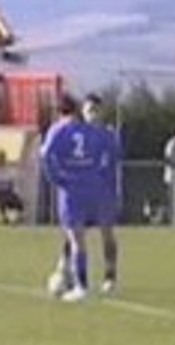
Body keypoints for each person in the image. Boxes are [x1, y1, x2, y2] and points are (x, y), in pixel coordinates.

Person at [41, 94, 120, 302]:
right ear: (79, 110)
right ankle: (67, 271)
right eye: (89, 110)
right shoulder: (94, 131)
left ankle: (84, 284)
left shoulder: (61, 129)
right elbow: (109, 160)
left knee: (79, 236)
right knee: (77, 236)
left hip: (75, 190)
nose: (93, 114)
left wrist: (56, 177)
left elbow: (46, 154)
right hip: (94, 187)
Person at [0, 149, 24, 225]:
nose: (1, 160)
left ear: (5, 159)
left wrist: (12, 192)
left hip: (7, 192)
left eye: (2, 158)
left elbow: (11, 184)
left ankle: (18, 218)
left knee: (18, 200)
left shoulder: (9, 171)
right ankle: (4, 218)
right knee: (2, 200)